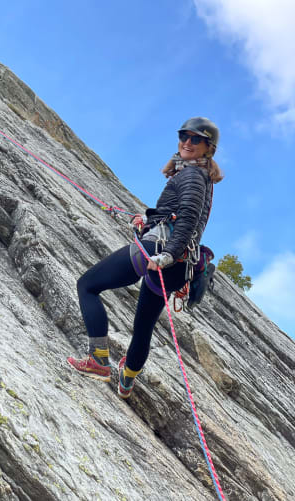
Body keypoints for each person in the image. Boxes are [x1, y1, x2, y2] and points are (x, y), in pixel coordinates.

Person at [67, 117, 223, 398]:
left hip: (159, 253)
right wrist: (147, 219)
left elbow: (187, 218)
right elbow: (181, 217)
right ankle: (127, 380)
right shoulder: (201, 177)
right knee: (144, 326)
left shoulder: (192, 176)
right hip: (179, 266)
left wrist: (166, 254)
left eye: (196, 139)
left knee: (87, 285)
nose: (187, 142)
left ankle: (99, 360)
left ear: (208, 148)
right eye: (184, 136)